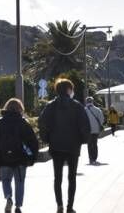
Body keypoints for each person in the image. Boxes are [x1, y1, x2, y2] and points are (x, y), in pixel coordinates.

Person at [39, 79, 90, 213]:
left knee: (57, 177)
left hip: (56, 146)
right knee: (71, 177)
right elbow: (85, 126)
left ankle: (59, 205)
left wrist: (47, 139)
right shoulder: (77, 106)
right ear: (69, 90)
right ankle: (69, 207)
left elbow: (42, 124)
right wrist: (83, 140)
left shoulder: (50, 106)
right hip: (73, 147)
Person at [0, 98, 39, 213]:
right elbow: (33, 142)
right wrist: (32, 158)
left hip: (4, 158)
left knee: (6, 180)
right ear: (20, 109)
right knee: (20, 182)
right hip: (21, 159)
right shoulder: (23, 122)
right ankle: (18, 206)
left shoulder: (0, 122)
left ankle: (8, 198)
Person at [84, 97, 105, 165]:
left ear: (86, 102)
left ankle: (91, 159)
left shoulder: (84, 110)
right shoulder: (97, 110)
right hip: (96, 130)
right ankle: (95, 158)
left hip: (87, 130)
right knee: (95, 144)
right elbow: (101, 120)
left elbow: (81, 121)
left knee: (89, 144)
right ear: (92, 102)